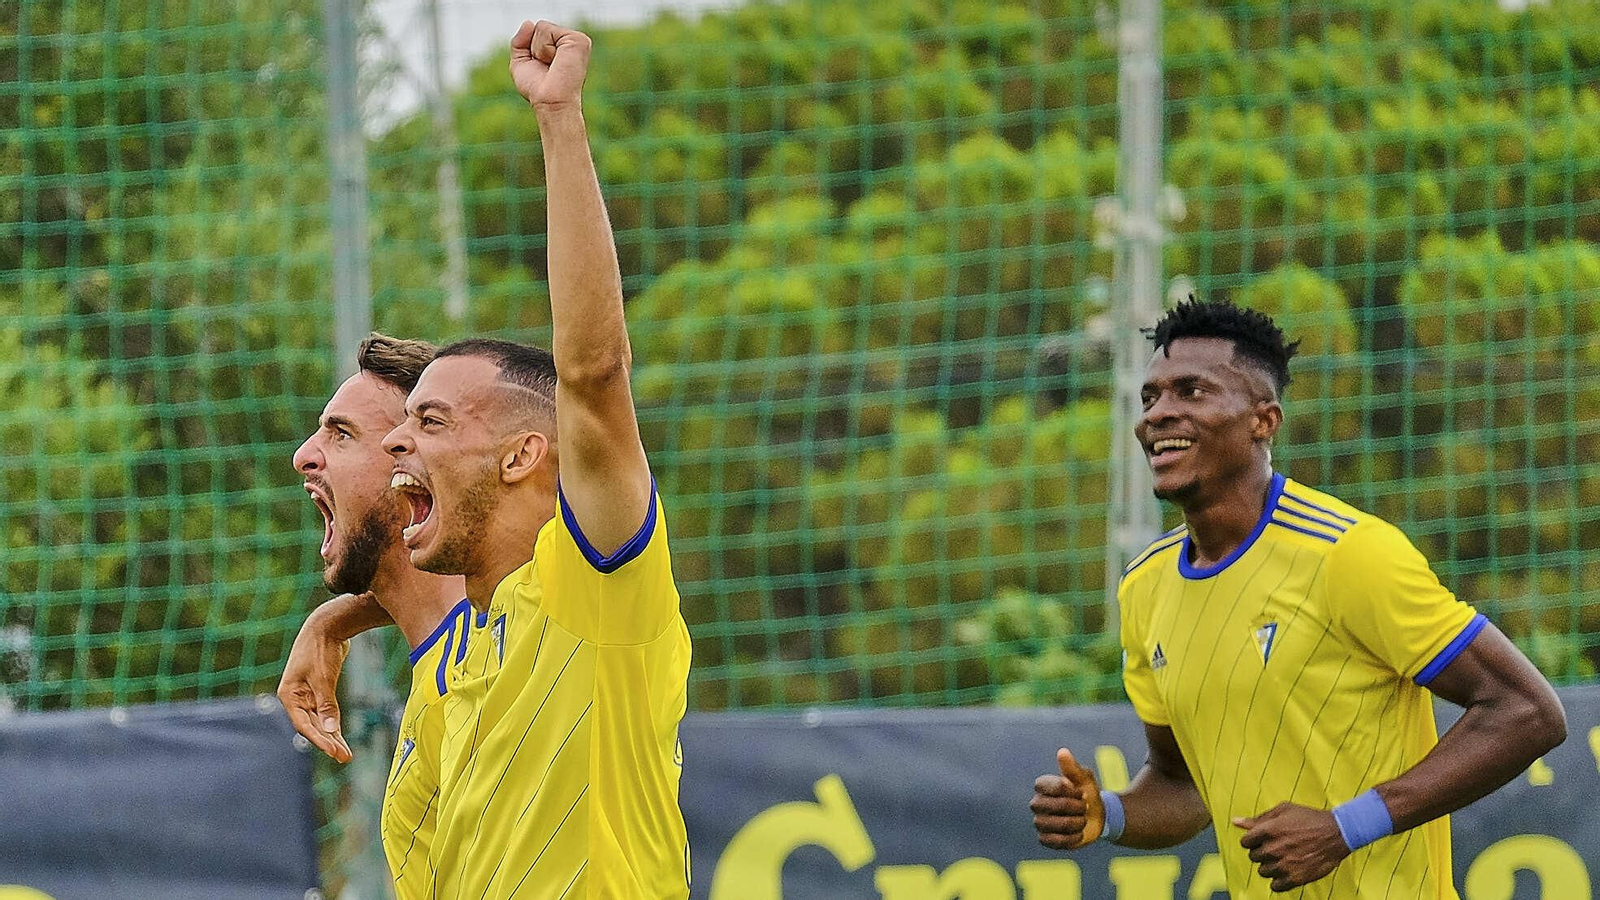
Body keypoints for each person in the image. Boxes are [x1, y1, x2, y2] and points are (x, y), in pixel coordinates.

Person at [1029, 298, 1567, 897]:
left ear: (1263, 420)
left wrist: (1345, 827)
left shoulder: (1348, 554)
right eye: (1150, 398)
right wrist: (1109, 813)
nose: (1159, 414)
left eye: (1192, 391)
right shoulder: (1144, 586)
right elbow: (1182, 783)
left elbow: (1527, 712)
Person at [380, 19, 691, 898]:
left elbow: (593, 371)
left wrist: (559, 119)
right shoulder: (460, 655)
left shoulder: (594, 583)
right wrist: (331, 623)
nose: (400, 440)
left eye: (431, 420)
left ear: (524, 455)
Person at [277, 333, 469, 900]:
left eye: (341, 434)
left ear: (414, 464)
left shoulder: (533, 633)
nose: (304, 454)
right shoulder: (437, 669)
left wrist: (335, 621)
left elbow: (596, 374)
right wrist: (333, 619)